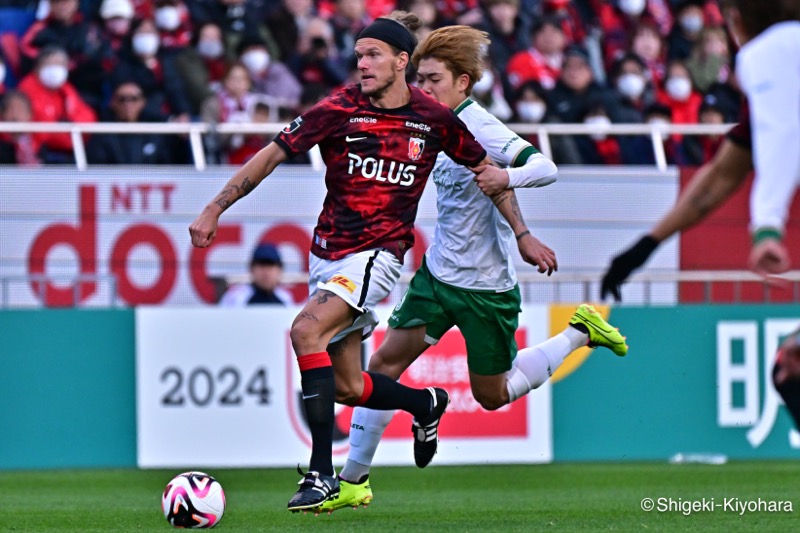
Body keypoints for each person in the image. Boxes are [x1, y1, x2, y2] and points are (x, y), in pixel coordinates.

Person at [189, 11, 507, 513]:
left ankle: (321, 476)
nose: (362, 63)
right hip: (328, 255)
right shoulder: (338, 108)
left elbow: (488, 171)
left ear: (403, 61)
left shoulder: (435, 119)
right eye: (358, 55)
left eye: (373, 54)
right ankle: (425, 404)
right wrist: (215, 206)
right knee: (347, 386)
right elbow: (273, 153)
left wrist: (525, 233)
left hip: (379, 255)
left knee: (304, 331)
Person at [320, 25, 627, 514]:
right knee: (381, 366)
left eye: (435, 79)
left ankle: (578, 332)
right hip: (437, 277)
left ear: (464, 82)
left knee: (492, 395)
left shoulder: (481, 127)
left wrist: (511, 181)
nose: (424, 88)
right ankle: (353, 480)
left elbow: (543, 167)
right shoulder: (430, 121)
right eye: (420, 78)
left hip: (486, 289)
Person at [600, 0, 800, 299]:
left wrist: (767, 227)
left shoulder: (774, 54)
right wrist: (646, 246)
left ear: (736, 22)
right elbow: (722, 174)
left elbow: (782, 139)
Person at [218, 242, 294, 305]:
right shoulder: (235, 297)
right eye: (261, 266)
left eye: (270, 266)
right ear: (251, 269)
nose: (266, 272)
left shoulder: (285, 298)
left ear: (280, 270)